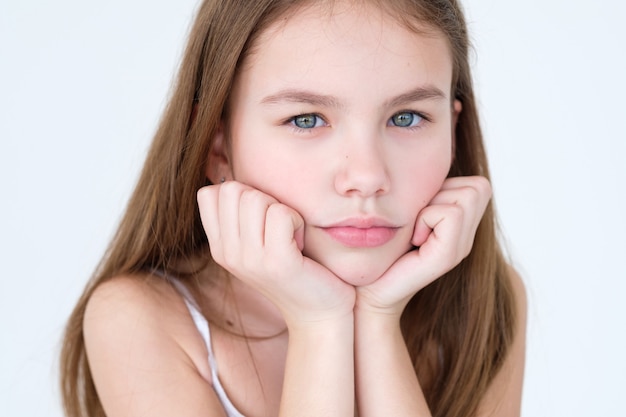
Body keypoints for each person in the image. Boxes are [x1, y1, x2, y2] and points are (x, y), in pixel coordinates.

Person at [60, 0, 526, 416]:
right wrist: (319, 323)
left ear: (452, 129)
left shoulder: (488, 299)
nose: (366, 176)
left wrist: (378, 321)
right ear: (216, 144)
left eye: (407, 117)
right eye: (306, 119)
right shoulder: (143, 321)